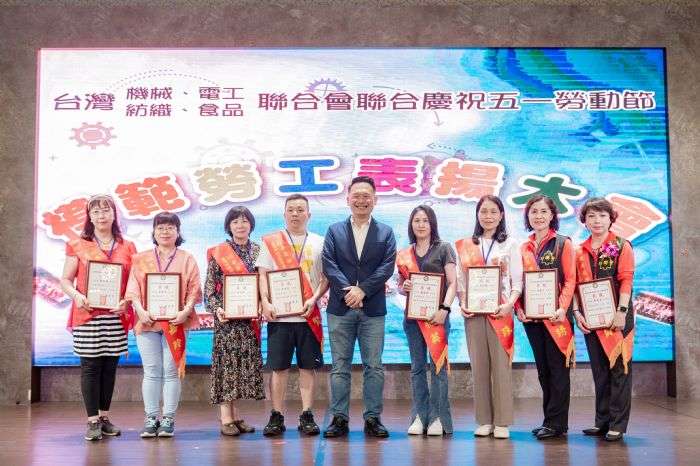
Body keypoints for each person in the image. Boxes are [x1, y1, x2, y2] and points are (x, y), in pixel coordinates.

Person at [322, 176, 397, 438]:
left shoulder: (385, 232)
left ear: (375, 200)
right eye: (357, 195)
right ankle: (339, 419)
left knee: (373, 366)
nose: (361, 200)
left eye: (367, 196)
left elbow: (387, 267)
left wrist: (362, 289)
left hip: (372, 308)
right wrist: (349, 291)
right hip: (340, 308)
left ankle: (373, 418)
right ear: (348, 199)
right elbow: (329, 264)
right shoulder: (334, 231)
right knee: (339, 366)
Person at [60, 194, 136, 441]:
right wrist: (77, 296)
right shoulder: (77, 244)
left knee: (109, 368)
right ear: (89, 217)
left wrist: (127, 301)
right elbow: (65, 280)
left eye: (106, 210)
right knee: (91, 367)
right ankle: (92, 420)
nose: (101, 216)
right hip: (87, 314)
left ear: (114, 214)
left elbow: (133, 283)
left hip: (115, 315)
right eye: (96, 212)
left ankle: (104, 418)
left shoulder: (127, 246)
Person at [256, 194, 329, 437]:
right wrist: (265, 302)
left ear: (309, 214)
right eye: (291, 210)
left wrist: (313, 298)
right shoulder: (270, 242)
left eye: (300, 209)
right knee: (278, 368)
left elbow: (326, 278)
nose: (295, 214)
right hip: (279, 317)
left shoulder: (319, 242)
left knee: (308, 368)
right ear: (284, 214)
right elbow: (263, 275)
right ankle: (276, 415)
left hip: (308, 315)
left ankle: (307, 414)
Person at [126, 212, 202, 438]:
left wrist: (186, 311)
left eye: (170, 227)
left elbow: (194, 289)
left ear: (178, 232)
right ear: (154, 231)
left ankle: (168, 418)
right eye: (160, 228)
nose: (165, 232)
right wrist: (140, 310)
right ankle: (151, 418)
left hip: (176, 322)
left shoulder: (187, 258)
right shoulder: (141, 259)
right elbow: (133, 289)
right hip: (147, 322)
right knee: (151, 371)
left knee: (171, 372)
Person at [455, 194, 522, 439]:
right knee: (479, 366)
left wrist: (510, 305)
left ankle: (502, 421)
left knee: (501, 367)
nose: (488, 216)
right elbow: (460, 280)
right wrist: (462, 303)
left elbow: (517, 281)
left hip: (500, 312)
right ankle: (484, 420)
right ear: (477, 214)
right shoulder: (466, 245)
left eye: (493, 211)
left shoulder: (510, 244)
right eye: (483, 211)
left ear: (501, 215)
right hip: (473, 312)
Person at [573, 197, 635, 442]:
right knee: (600, 371)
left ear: (611, 219)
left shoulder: (621, 245)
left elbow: (626, 280)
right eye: (591, 216)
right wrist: (577, 313)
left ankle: (618, 424)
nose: (597, 220)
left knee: (619, 370)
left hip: (617, 317)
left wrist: (621, 311)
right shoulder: (579, 250)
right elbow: (576, 286)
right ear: (585, 220)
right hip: (592, 318)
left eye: (602, 215)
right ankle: (602, 421)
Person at [517, 195, 576, 440]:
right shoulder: (524, 247)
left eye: (543, 211)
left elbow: (570, 280)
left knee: (558, 370)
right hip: (533, 319)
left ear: (552, 215)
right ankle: (549, 420)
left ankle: (557, 423)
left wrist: (562, 308)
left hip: (557, 318)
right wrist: (519, 308)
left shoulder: (563, 243)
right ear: (527, 216)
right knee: (543, 370)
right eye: (534, 212)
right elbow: (518, 282)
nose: (538, 216)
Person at [396, 205, 457, 436]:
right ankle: (419, 416)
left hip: (437, 319)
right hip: (413, 320)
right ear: (411, 225)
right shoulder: (404, 253)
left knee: (438, 368)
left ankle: (438, 418)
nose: (421, 225)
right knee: (417, 368)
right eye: (417, 220)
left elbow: (453, 283)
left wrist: (445, 309)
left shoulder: (444, 248)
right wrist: (404, 286)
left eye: (425, 220)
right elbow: (400, 286)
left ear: (432, 224)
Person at [206, 206, 265, 437]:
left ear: (251, 224)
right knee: (227, 367)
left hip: (249, 321)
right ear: (228, 226)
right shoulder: (219, 252)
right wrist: (217, 309)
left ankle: (236, 416)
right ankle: (225, 418)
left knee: (241, 369)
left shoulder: (259, 251)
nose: (240, 225)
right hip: (227, 321)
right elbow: (209, 291)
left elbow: (264, 285)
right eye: (235, 222)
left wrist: (261, 303)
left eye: (244, 221)